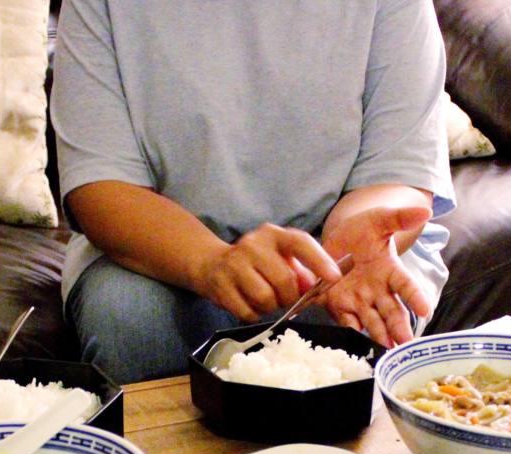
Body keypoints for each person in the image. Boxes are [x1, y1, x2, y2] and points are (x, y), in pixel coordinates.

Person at [50, 0, 455, 384]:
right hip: (163, 253)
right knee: (131, 321)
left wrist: (346, 245)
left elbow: (398, 171)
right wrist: (212, 264)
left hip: (335, 254)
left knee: (359, 321)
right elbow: (101, 187)